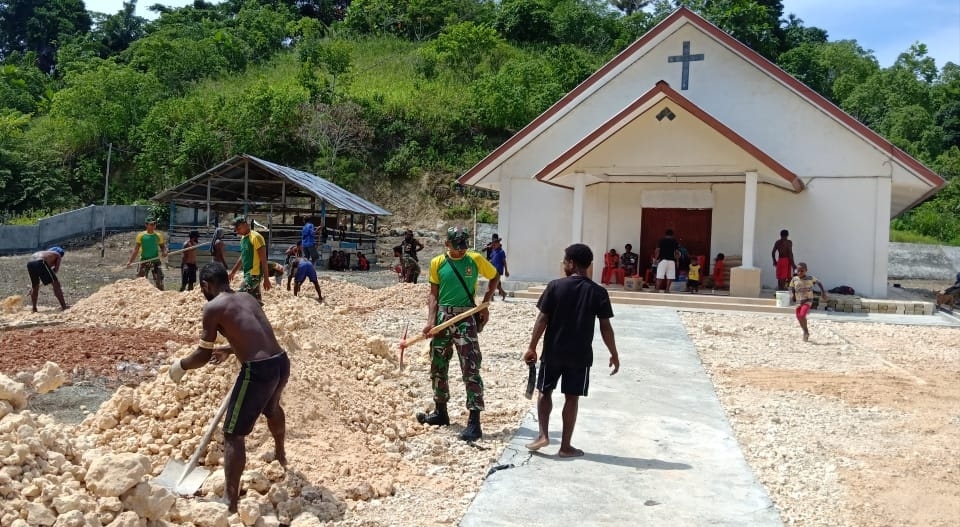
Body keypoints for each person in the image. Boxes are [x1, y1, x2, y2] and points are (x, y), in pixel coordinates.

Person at [167, 262, 289, 514]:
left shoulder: (213, 307)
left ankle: (230, 502)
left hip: (257, 371)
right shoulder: (247, 297)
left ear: (206, 285)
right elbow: (256, 335)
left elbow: (202, 354)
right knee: (272, 408)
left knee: (233, 434)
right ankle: (280, 455)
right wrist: (230, 349)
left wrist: (180, 366)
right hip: (280, 362)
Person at [523, 243, 620, 457]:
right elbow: (606, 326)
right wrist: (614, 353)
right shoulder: (598, 292)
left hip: (553, 352)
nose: (564, 264)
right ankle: (565, 446)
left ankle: (543, 435)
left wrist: (532, 346)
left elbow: (542, 319)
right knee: (572, 398)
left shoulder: (555, 286)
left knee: (544, 391)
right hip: (580, 355)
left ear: (571, 263)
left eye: (565, 261)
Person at [416, 226, 500, 442]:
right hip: (444, 319)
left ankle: (474, 422)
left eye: (464, 246)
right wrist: (430, 321)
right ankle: (440, 411)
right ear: (447, 245)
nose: (461, 251)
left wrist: (485, 302)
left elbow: (494, 276)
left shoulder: (475, 259)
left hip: (466, 319)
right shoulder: (438, 263)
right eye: (457, 247)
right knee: (438, 364)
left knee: (470, 367)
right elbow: (433, 295)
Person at [228, 217, 271, 302]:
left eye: (238, 228)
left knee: (239, 297)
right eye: (236, 229)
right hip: (247, 273)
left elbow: (264, 260)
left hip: (254, 275)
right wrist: (233, 272)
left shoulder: (256, 237)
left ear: (245, 225)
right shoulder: (243, 238)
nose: (237, 231)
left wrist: (266, 278)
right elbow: (242, 256)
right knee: (256, 301)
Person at [789, 262, 827, 342]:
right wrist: (791, 294)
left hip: (808, 300)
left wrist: (823, 292)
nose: (799, 273)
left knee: (802, 315)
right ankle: (805, 331)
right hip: (799, 301)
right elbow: (790, 287)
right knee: (799, 317)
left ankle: (806, 332)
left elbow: (819, 283)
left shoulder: (810, 278)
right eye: (798, 271)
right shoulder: (794, 279)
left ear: (806, 270)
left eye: (802, 271)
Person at [127, 217, 168, 290]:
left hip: (155, 261)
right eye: (151, 224)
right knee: (141, 282)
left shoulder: (158, 235)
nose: (153, 226)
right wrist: (130, 261)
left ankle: (161, 297)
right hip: (144, 261)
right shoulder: (141, 235)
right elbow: (136, 250)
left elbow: (163, 247)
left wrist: (164, 252)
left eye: (154, 224)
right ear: (146, 225)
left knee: (159, 282)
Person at [27, 247, 68, 312]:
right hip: (41, 262)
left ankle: (34, 308)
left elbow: (43, 270)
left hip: (30, 263)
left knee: (35, 287)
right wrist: (52, 275)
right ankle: (64, 307)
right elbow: (55, 270)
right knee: (56, 284)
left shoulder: (45, 253)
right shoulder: (58, 254)